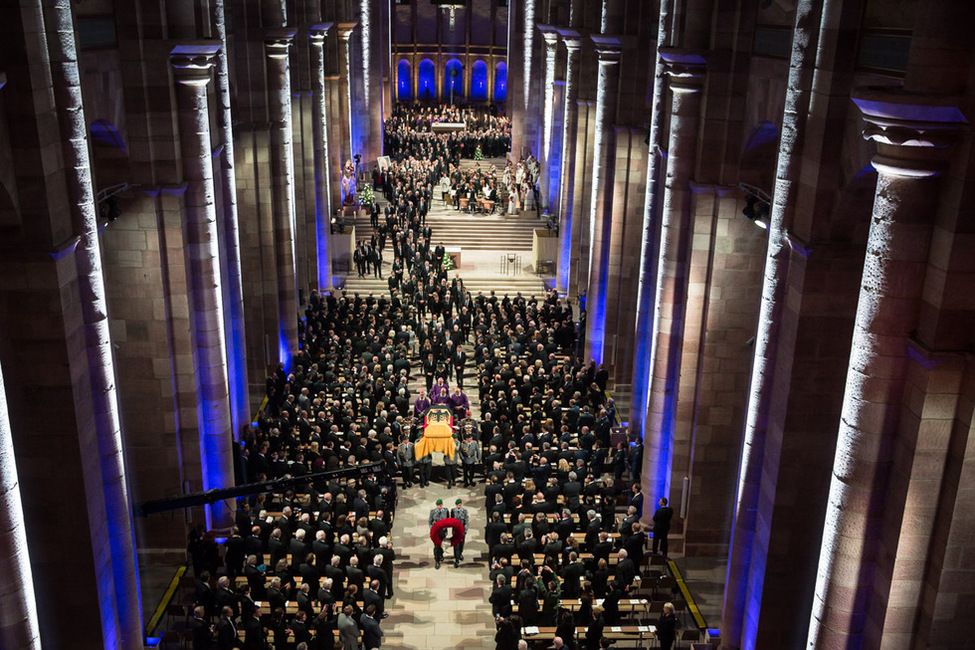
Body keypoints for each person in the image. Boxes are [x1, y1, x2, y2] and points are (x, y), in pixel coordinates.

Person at [429, 498, 449, 569]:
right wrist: (432, 529)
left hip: (443, 531)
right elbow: (430, 521)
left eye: (440, 505)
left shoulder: (445, 511)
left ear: (442, 505)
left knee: (442, 545)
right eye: (438, 505)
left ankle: (441, 554)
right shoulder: (433, 512)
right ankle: (437, 561)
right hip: (436, 532)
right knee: (436, 546)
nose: (439, 507)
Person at [451, 497, 469, 567]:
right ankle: (456, 559)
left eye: (459, 505)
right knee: (456, 546)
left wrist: (465, 530)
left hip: (462, 531)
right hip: (456, 532)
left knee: (461, 544)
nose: (459, 506)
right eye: (457, 505)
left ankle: (460, 554)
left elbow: (466, 521)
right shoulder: (453, 511)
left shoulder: (464, 511)